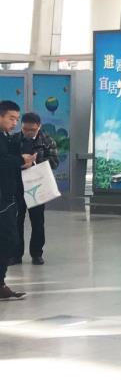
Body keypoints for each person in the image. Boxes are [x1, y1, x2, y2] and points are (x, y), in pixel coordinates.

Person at [14, 113, 58, 266]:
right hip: (17, 186)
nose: (28, 132)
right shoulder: (14, 139)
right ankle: (16, 255)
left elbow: (54, 162)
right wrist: (20, 161)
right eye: (25, 129)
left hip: (37, 185)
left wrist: (35, 161)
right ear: (21, 126)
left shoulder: (47, 141)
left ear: (39, 126)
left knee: (38, 221)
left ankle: (37, 254)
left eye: (32, 130)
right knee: (16, 221)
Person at [0, 100, 32, 300]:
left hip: (8, 196)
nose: (14, 123)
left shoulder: (6, 137)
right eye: (11, 118)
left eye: (16, 119)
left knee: (8, 240)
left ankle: (0, 283)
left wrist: (23, 162)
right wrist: (21, 160)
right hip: (2, 199)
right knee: (7, 239)